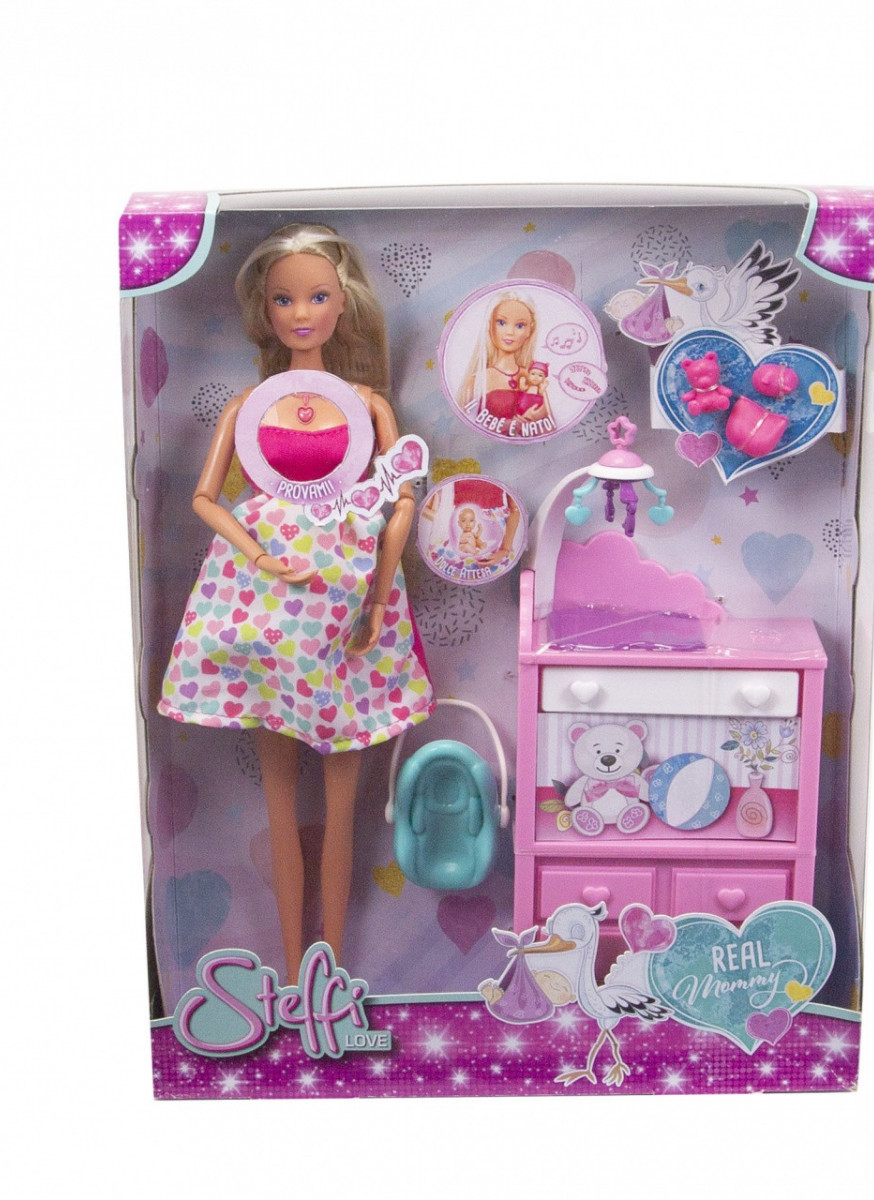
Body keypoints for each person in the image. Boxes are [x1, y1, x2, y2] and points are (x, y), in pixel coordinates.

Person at [158, 224, 433, 981]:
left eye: (316, 297)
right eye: (284, 300)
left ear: (343, 304)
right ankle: (291, 979)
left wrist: (377, 600)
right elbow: (206, 498)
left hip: (346, 608)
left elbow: (401, 503)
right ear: (266, 310)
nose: (301, 313)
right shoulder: (248, 406)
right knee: (280, 801)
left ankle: (329, 979)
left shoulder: (367, 405)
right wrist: (256, 554)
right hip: (265, 609)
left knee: (342, 805)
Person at [457, 292, 551, 435]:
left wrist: (535, 420)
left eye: (520, 325)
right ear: (490, 326)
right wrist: (511, 424)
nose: (510, 332)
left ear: (529, 331)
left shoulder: (534, 378)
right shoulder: (477, 381)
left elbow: (550, 425)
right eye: (501, 323)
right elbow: (467, 427)